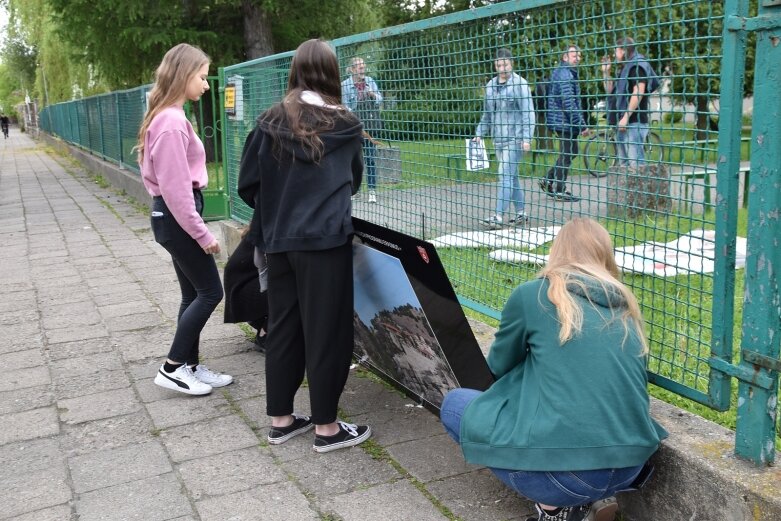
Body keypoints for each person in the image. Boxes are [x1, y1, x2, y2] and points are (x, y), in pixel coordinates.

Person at [440, 217, 668, 521]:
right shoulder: (626, 305)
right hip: (631, 465)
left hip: (566, 478)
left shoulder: (533, 294)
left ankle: (553, 508)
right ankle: (595, 496)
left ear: (556, 250)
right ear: (605, 255)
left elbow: (497, 366)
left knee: (454, 404)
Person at [238, 39, 371, 453]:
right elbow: (354, 179)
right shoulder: (346, 123)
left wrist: (279, 208)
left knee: (284, 327)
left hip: (279, 242)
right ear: (332, 74)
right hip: (326, 243)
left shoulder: (269, 120)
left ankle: (281, 420)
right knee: (326, 332)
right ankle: (326, 428)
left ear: (294, 71)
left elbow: (247, 184)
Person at [137, 43, 232, 396]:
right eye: (202, 77)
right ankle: (173, 367)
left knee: (192, 293)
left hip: (170, 215)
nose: (206, 85)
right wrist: (202, 233)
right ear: (184, 75)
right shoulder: (172, 122)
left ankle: (189, 366)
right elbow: (176, 190)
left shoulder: (166, 115)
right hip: (178, 216)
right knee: (211, 292)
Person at [474, 48, 535, 229]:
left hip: (515, 140)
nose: (502, 68)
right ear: (495, 65)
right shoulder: (491, 85)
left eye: (505, 64)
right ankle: (521, 213)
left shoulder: (520, 84)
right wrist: (479, 133)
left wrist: (526, 138)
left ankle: (498, 216)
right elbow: (487, 114)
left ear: (511, 63)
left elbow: (528, 113)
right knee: (512, 176)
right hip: (498, 140)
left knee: (504, 174)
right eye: (499, 65)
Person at [540, 44, 589, 202]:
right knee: (567, 153)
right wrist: (581, 125)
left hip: (564, 121)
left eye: (579, 56)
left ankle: (548, 178)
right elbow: (569, 103)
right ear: (565, 57)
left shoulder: (566, 72)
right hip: (563, 121)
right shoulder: (565, 75)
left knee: (571, 151)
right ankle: (559, 189)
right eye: (575, 56)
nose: (578, 59)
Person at [601, 37, 658, 167]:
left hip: (633, 123)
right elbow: (610, 91)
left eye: (616, 51)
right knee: (624, 166)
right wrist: (606, 72)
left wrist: (626, 117)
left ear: (623, 50)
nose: (614, 54)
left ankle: (640, 188)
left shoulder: (637, 66)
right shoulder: (625, 68)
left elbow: (639, 91)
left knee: (635, 165)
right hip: (621, 123)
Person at [341, 57, 383, 203]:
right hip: (353, 127)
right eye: (359, 67)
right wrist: (356, 119)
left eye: (363, 67)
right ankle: (354, 189)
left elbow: (380, 99)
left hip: (370, 126)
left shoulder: (370, 81)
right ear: (352, 69)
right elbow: (344, 107)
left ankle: (372, 191)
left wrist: (372, 94)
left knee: (370, 158)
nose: (362, 70)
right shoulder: (344, 85)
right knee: (353, 159)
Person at [223, 229, 269, 353]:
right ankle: (264, 334)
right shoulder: (271, 225)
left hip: (244, 288)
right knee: (290, 290)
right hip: (244, 292)